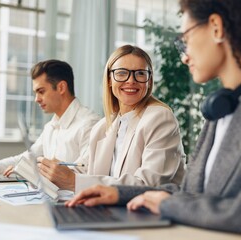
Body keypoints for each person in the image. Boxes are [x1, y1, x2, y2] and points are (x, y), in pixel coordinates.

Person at [65, 1, 241, 239]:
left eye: (186, 38)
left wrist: (167, 205)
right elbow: (192, 192)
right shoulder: (223, 106)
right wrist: (120, 194)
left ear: (216, 27)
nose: (184, 55)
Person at [37, 45, 186, 192]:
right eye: (121, 73)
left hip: (148, 214)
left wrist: (73, 181)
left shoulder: (160, 117)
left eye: (140, 73)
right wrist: (55, 171)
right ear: (109, 79)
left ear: (149, 80)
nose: (131, 81)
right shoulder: (103, 127)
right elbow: (83, 170)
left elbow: (148, 184)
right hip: (110, 210)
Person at [0, 59, 100, 176]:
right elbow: (27, 159)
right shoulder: (51, 127)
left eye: (41, 91)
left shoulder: (89, 124)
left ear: (61, 87)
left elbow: (87, 173)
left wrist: (32, 170)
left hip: (72, 201)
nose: (36, 99)